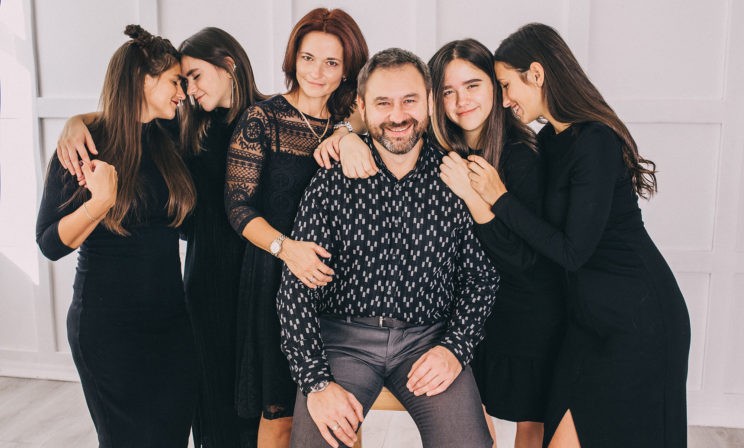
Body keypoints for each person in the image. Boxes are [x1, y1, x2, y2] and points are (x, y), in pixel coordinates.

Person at [319, 38, 566, 448]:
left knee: (524, 419)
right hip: (454, 313)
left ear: (495, 88)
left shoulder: (520, 156)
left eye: (472, 85)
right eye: (449, 91)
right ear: (436, 99)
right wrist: (345, 134)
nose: (461, 101)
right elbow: (388, 119)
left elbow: (521, 263)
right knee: (474, 419)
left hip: (519, 304)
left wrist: (476, 197)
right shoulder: (439, 144)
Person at [54, 26, 268, 447]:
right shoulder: (187, 126)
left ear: (228, 65)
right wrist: (75, 122)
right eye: (180, 81)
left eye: (194, 77)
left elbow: (326, 117)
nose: (186, 91)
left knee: (265, 414)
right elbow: (129, 118)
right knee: (211, 417)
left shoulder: (271, 117)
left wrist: (346, 132)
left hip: (259, 284)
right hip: (204, 287)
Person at [276, 47, 499, 448]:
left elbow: (480, 278)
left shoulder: (455, 176)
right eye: (383, 103)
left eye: (409, 100)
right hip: (342, 343)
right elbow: (295, 290)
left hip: (428, 341)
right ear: (362, 107)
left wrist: (454, 349)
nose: (398, 116)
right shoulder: (332, 181)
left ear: (429, 102)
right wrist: (317, 382)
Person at [489, 23, 691, 447]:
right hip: (586, 322)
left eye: (507, 85)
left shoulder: (595, 142)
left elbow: (572, 251)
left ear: (536, 74)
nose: (504, 99)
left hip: (636, 320)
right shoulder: (550, 139)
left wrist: (499, 199)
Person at [36, 25, 197, 447]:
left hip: (171, 323)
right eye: (174, 81)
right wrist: (99, 203)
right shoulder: (85, 148)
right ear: (143, 80)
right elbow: (49, 243)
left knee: (171, 438)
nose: (182, 93)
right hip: (107, 329)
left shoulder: (168, 139)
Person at [224, 8, 368, 447]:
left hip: (340, 286)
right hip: (275, 276)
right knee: (281, 414)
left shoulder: (352, 121)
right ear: (293, 58)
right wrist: (288, 250)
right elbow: (237, 207)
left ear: (347, 69)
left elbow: (396, 114)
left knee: (345, 415)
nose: (316, 73)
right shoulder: (262, 119)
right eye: (308, 58)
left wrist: (347, 133)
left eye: (331, 62)